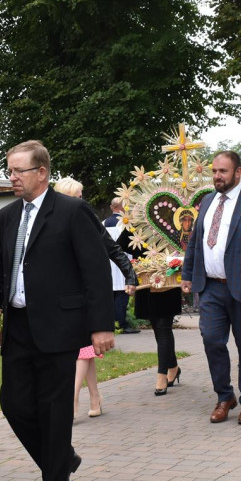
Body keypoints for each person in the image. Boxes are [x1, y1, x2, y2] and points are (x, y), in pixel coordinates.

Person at [0, 141, 114, 481]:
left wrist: (102, 325)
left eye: (19, 171)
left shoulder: (72, 212)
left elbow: (95, 271)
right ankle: (62, 460)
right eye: (10, 170)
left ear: (42, 173)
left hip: (60, 328)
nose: (13, 177)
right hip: (19, 327)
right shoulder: (5, 216)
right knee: (14, 403)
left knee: (54, 411)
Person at [181, 151, 241, 425]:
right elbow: (196, 240)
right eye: (214, 171)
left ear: (238, 173)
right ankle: (225, 396)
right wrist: (188, 274)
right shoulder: (208, 201)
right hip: (210, 287)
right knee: (211, 340)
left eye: (222, 171)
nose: (217, 176)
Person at [52, 176, 136, 419]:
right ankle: (95, 397)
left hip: (85, 294)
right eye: (75, 197)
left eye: (81, 197)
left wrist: (130, 276)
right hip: (62, 295)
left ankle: (72, 399)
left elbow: (112, 248)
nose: (81, 202)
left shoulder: (86, 218)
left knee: (82, 351)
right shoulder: (52, 221)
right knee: (84, 351)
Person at [136, 287, 183, 395]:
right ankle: (173, 367)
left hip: (167, 280)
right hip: (146, 281)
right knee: (157, 327)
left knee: (163, 328)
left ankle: (162, 375)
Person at [104, 197, 140, 334]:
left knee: (111, 295)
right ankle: (122, 324)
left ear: (111, 207)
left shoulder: (103, 223)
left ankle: (111, 323)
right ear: (124, 207)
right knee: (122, 295)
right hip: (124, 262)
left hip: (108, 263)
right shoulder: (126, 224)